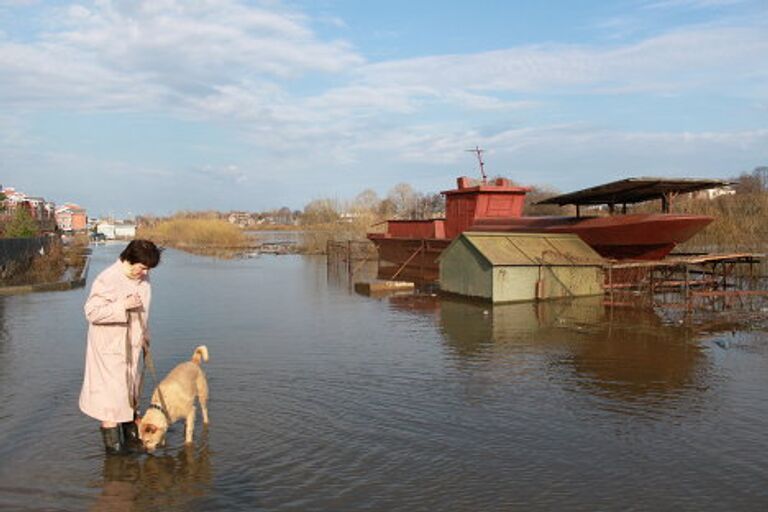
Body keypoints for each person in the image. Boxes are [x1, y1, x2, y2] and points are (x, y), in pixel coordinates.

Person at [79, 239, 161, 454]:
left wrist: (144, 333)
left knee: (129, 400)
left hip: (132, 348)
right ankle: (115, 461)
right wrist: (121, 306)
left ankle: (131, 450)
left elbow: (142, 311)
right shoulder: (107, 279)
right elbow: (91, 312)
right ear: (129, 259)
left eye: (148, 269)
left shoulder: (143, 278)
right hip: (108, 351)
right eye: (142, 268)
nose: (144, 273)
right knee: (110, 407)